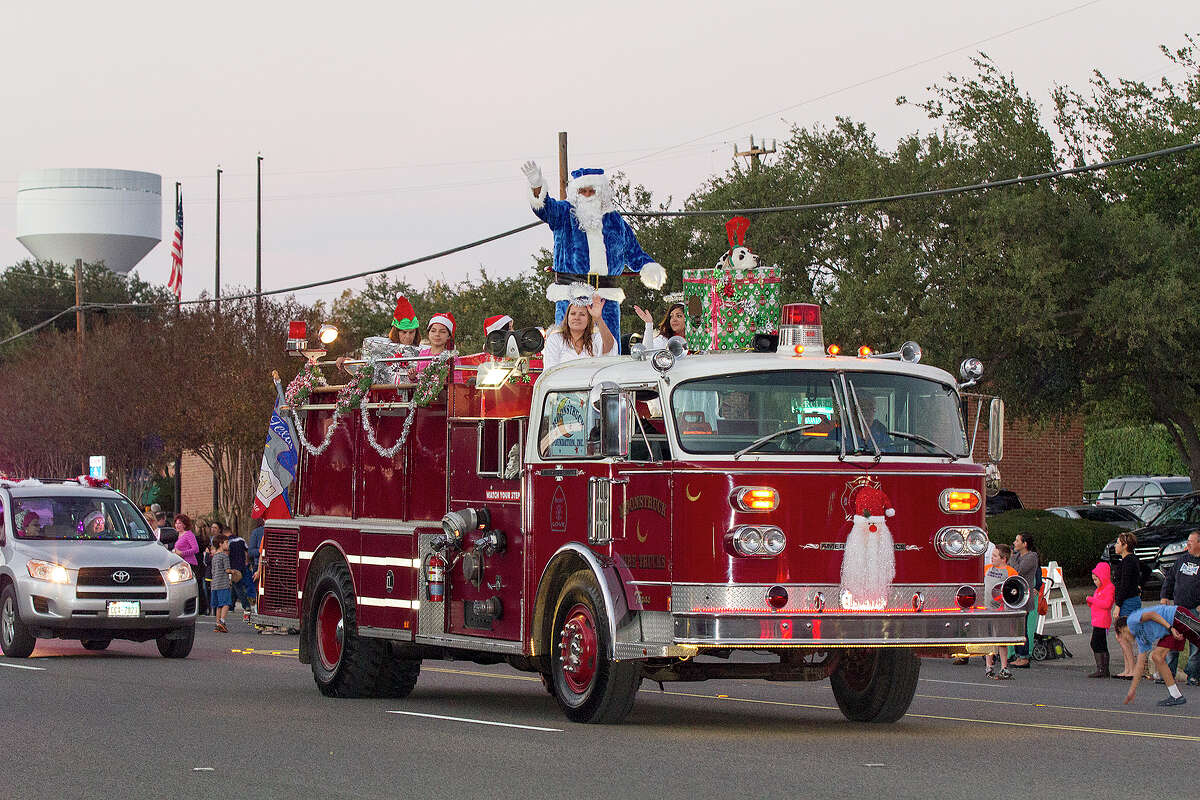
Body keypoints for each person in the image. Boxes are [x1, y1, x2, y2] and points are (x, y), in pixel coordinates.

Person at [523, 161, 666, 341]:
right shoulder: (564, 213)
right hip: (571, 296)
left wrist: (648, 267)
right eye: (583, 191)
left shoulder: (615, 220)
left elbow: (633, 251)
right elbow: (545, 209)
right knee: (568, 348)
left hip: (606, 298)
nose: (588, 195)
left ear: (601, 193)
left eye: (592, 191)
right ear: (576, 193)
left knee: (609, 348)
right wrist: (537, 186)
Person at [1116, 604, 1195, 706]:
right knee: (1157, 657)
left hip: (1175, 616)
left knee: (1157, 656)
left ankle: (1176, 696)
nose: (1126, 639)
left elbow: (1152, 615)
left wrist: (1169, 627)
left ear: (1121, 629)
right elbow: (1140, 665)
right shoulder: (1141, 639)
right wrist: (1132, 690)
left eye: (1123, 636)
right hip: (1170, 630)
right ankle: (1176, 696)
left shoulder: (1132, 620)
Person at [338, 294, 421, 383]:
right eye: (404, 332)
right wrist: (346, 362)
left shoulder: (423, 353)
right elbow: (366, 369)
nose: (408, 336)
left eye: (411, 332)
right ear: (397, 332)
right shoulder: (382, 348)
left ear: (416, 333)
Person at [1160, 530, 1200, 686]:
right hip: (1177, 609)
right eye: (1187, 541)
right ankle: (1168, 674)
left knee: (1195, 647)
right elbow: (1169, 580)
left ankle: (1193, 676)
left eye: (1191, 541)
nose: (1188, 544)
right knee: (1172, 642)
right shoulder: (1181, 561)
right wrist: (1164, 597)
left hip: (1194, 611)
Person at [541, 295, 617, 369]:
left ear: (589, 319)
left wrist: (598, 318)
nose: (576, 318)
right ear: (567, 318)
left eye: (582, 314)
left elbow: (609, 347)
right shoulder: (555, 339)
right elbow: (550, 370)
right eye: (573, 314)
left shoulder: (595, 337)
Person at [1111, 531, 1142, 678]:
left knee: (1123, 635)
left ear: (1125, 545)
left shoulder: (1129, 561)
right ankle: (1127, 668)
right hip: (1129, 598)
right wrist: (1139, 585)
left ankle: (1133, 669)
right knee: (1122, 635)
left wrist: (1118, 605)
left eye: (1118, 543)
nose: (1116, 545)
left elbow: (1124, 585)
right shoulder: (1130, 561)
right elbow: (1145, 572)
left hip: (1128, 601)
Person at [984, 544, 1016, 680]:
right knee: (988, 639)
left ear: (1004, 559)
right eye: (992, 555)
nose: (992, 558)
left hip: (1002, 609)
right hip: (986, 609)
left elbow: (1014, 590)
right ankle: (988, 666)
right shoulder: (986, 569)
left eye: (995, 556)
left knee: (1002, 639)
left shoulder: (1011, 572)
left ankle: (1004, 667)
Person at [1009, 532, 1039, 667]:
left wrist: (1012, 559)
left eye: (1017, 541)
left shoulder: (1031, 557)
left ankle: (1024, 656)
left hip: (1024, 596)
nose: (1014, 543)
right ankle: (1017, 654)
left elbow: (1017, 571)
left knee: (1022, 628)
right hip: (1013, 596)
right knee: (1015, 627)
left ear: (1024, 544)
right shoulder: (1016, 556)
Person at [1085, 561, 1116, 678]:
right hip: (1097, 620)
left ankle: (1102, 668)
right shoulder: (1098, 589)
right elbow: (1097, 604)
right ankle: (1102, 668)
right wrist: (1091, 602)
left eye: (1096, 580)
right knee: (1099, 643)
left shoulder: (1109, 588)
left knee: (1097, 643)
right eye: (1093, 580)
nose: (1095, 582)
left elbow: (1107, 604)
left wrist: (1092, 600)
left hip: (1103, 621)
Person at [408, 313, 456, 381]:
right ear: (428, 334)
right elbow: (419, 384)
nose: (437, 334)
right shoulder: (422, 354)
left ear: (449, 336)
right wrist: (413, 377)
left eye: (442, 332)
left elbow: (456, 385)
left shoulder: (452, 357)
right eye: (433, 331)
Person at [171, 514, 203, 615]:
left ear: (185, 524)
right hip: (181, 564)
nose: (177, 525)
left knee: (194, 585)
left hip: (190, 563)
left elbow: (195, 549)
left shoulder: (188, 534)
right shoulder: (178, 535)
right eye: (176, 523)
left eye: (180, 523)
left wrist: (182, 553)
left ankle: (202, 607)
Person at [226, 524, 253, 614]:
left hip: (233, 567)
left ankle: (246, 605)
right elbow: (247, 551)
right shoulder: (241, 539)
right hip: (242, 566)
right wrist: (247, 561)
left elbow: (227, 554)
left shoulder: (228, 542)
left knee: (238, 587)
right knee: (235, 586)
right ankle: (231, 606)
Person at [209, 533, 232, 633]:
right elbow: (227, 570)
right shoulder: (224, 556)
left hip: (215, 584)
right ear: (220, 544)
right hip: (223, 583)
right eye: (226, 543)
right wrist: (234, 572)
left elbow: (213, 571)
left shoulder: (214, 556)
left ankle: (217, 623)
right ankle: (222, 622)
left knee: (219, 605)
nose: (228, 545)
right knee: (226, 603)